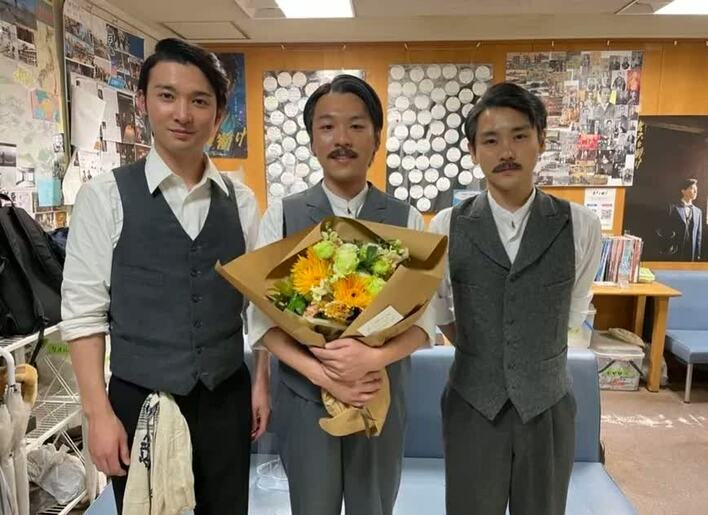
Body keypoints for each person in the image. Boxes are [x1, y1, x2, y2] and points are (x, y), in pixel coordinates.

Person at [61, 38, 270, 515]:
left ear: (218, 115)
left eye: (200, 101)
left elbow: (258, 306)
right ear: (142, 103)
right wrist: (97, 414)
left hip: (225, 395)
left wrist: (261, 383)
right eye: (167, 96)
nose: (183, 114)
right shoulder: (104, 196)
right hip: (139, 400)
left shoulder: (241, 202)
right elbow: (83, 315)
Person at [248, 74, 435, 515]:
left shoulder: (406, 218)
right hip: (305, 397)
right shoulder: (283, 215)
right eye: (328, 126)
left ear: (377, 139)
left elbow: (424, 323)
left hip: (378, 394)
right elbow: (261, 321)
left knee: (375, 506)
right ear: (313, 141)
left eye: (356, 126)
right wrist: (322, 373)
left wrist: (372, 358)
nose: (342, 140)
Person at [429, 82, 602, 515]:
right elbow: (440, 310)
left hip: (548, 404)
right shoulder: (447, 226)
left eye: (519, 135)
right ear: (473, 151)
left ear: (541, 140)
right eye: (490, 140)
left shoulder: (580, 225)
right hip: (472, 403)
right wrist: (485, 352)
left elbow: (573, 311)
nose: (506, 151)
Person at [667, 178, 703, 261]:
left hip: (691, 253)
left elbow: (698, 236)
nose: (695, 191)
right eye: (692, 188)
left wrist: (697, 255)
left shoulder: (698, 212)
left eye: (696, 189)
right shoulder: (672, 208)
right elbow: (667, 231)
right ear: (683, 191)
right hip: (675, 252)